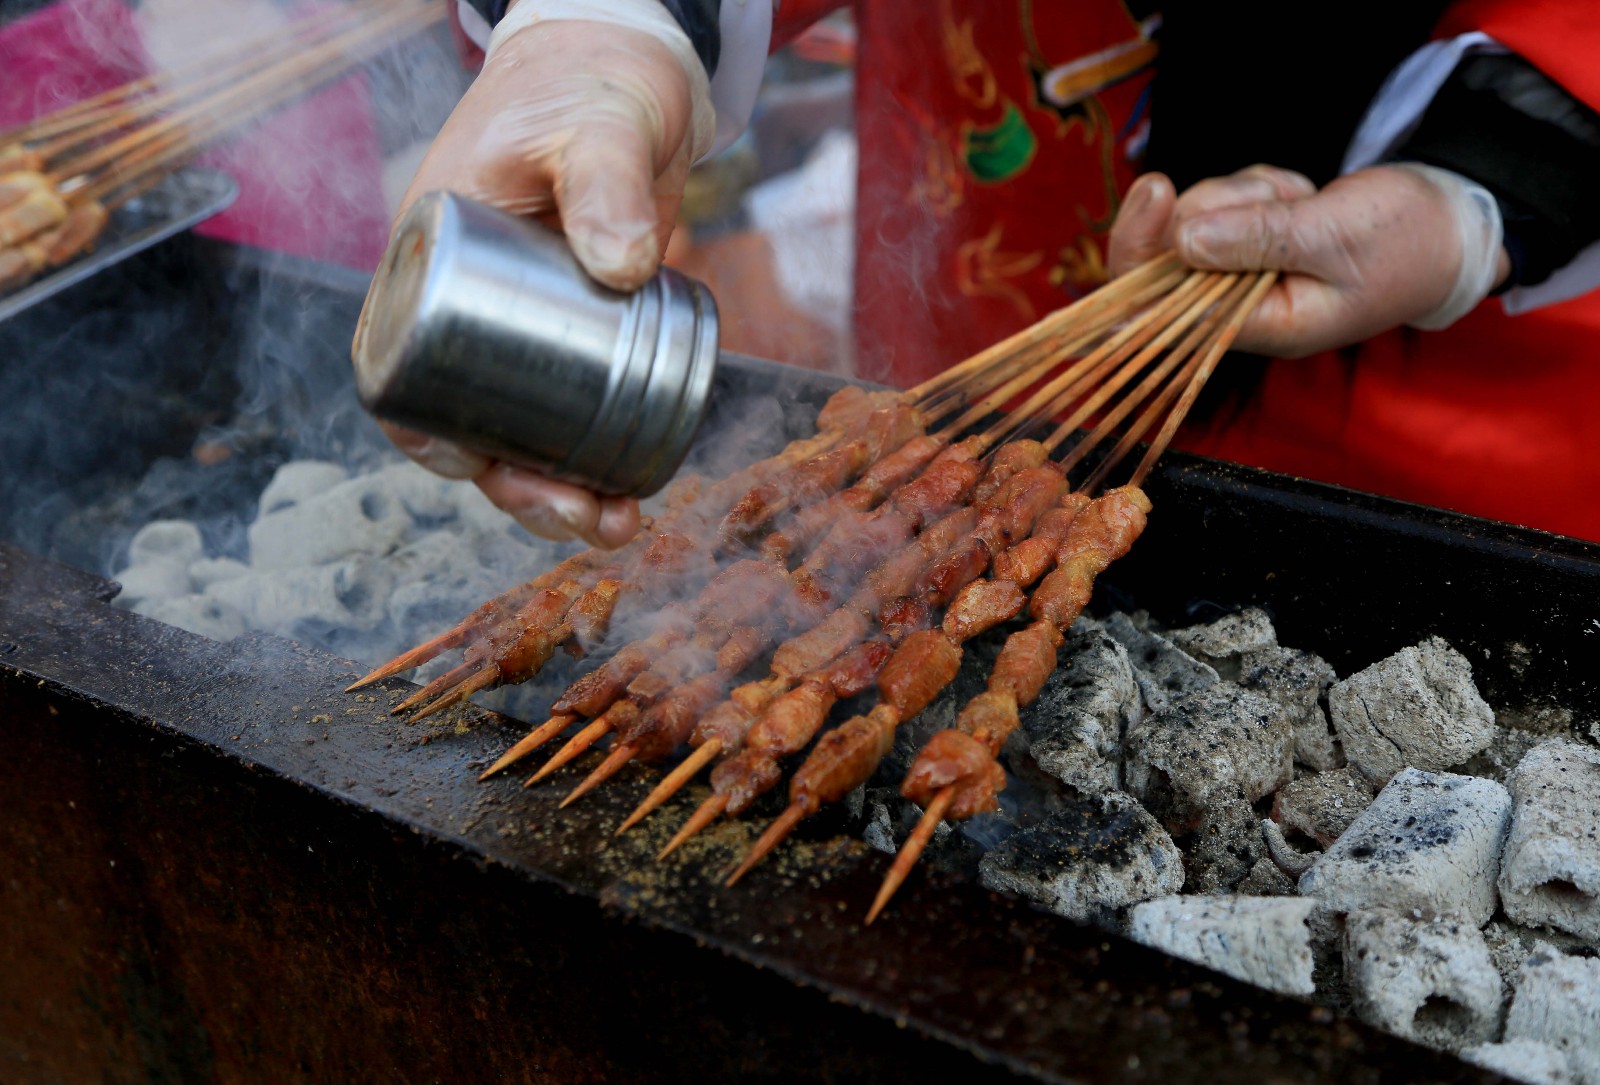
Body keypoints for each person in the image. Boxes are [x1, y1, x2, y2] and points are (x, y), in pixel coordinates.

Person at [373, 0, 1600, 545]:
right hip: (991, 239)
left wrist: (1469, 202)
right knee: (936, 513)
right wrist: (608, 27)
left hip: (1440, 413)